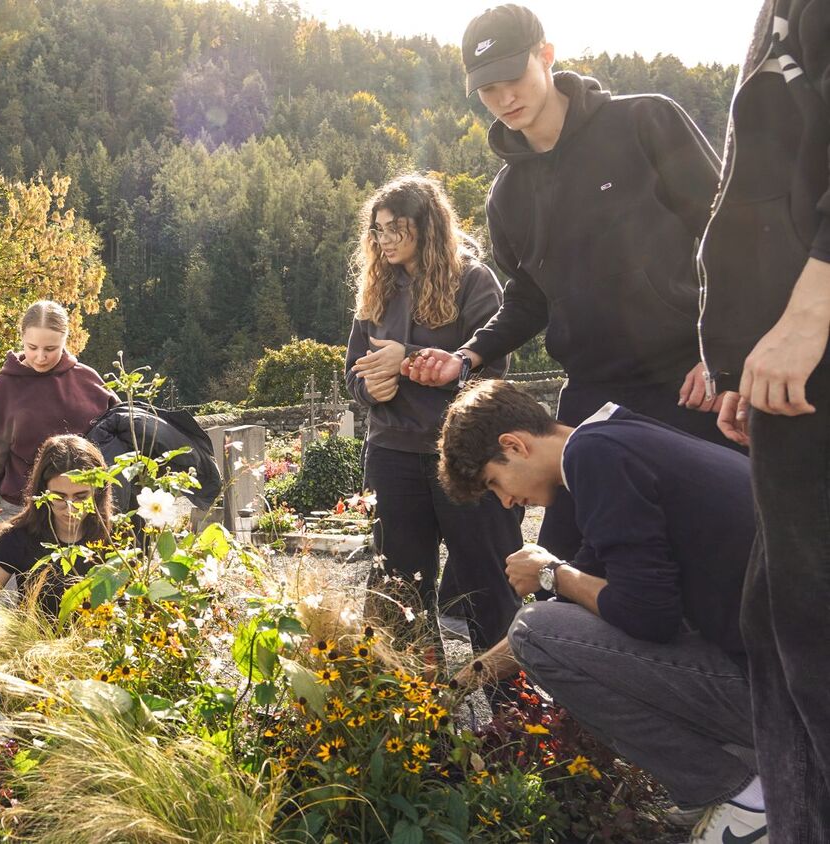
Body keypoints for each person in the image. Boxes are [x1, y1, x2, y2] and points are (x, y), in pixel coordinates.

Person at [406, 3, 731, 563]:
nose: (504, 98)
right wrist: (466, 357)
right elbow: (529, 298)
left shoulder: (645, 122)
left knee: (713, 549)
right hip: (594, 394)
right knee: (567, 564)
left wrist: (722, 350)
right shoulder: (507, 197)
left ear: (547, 56)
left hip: (689, 381)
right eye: (487, 89)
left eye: (512, 77)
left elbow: (728, 235)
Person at [441, 381, 765, 844]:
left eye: (494, 483)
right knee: (542, 629)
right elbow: (576, 616)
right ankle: (745, 780)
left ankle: (744, 798)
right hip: (789, 678)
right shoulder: (613, 440)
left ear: (514, 445)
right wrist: (460, 684)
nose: (506, 501)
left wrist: (551, 573)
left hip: (787, 698)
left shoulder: (595, 458)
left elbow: (646, 614)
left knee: (534, 628)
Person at [699, 1, 830, 836]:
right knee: (778, 625)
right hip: (785, 366)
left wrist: (813, 308)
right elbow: (750, 197)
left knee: (814, 637)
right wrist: (736, 357)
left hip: (815, 348)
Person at [344, 174, 523, 661]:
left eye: (395, 229)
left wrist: (406, 360)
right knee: (398, 586)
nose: (384, 241)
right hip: (392, 454)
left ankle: (510, 702)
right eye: (378, 230)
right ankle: (415, 699)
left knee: (487, 581)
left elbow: (491, 372)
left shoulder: (473, 280)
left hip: (463, 453)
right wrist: (370, 388)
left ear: (427, 227)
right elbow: (354, 371)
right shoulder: (376, 289)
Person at [0, 300, 115, 523]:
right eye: (32, 347)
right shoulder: (5, 386)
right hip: (22, 510)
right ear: (22, 338)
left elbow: (118, 434)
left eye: (50, 349)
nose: (40, 357)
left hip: (85, 510)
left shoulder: (88, 380)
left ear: (65, 339)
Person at [0, 435, 112, 616]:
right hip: (32, 633)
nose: (71, 508)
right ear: (42, 492)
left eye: (81, 496)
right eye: (59, 497)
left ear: (98, 492)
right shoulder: (18, 538)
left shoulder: (117, 537)